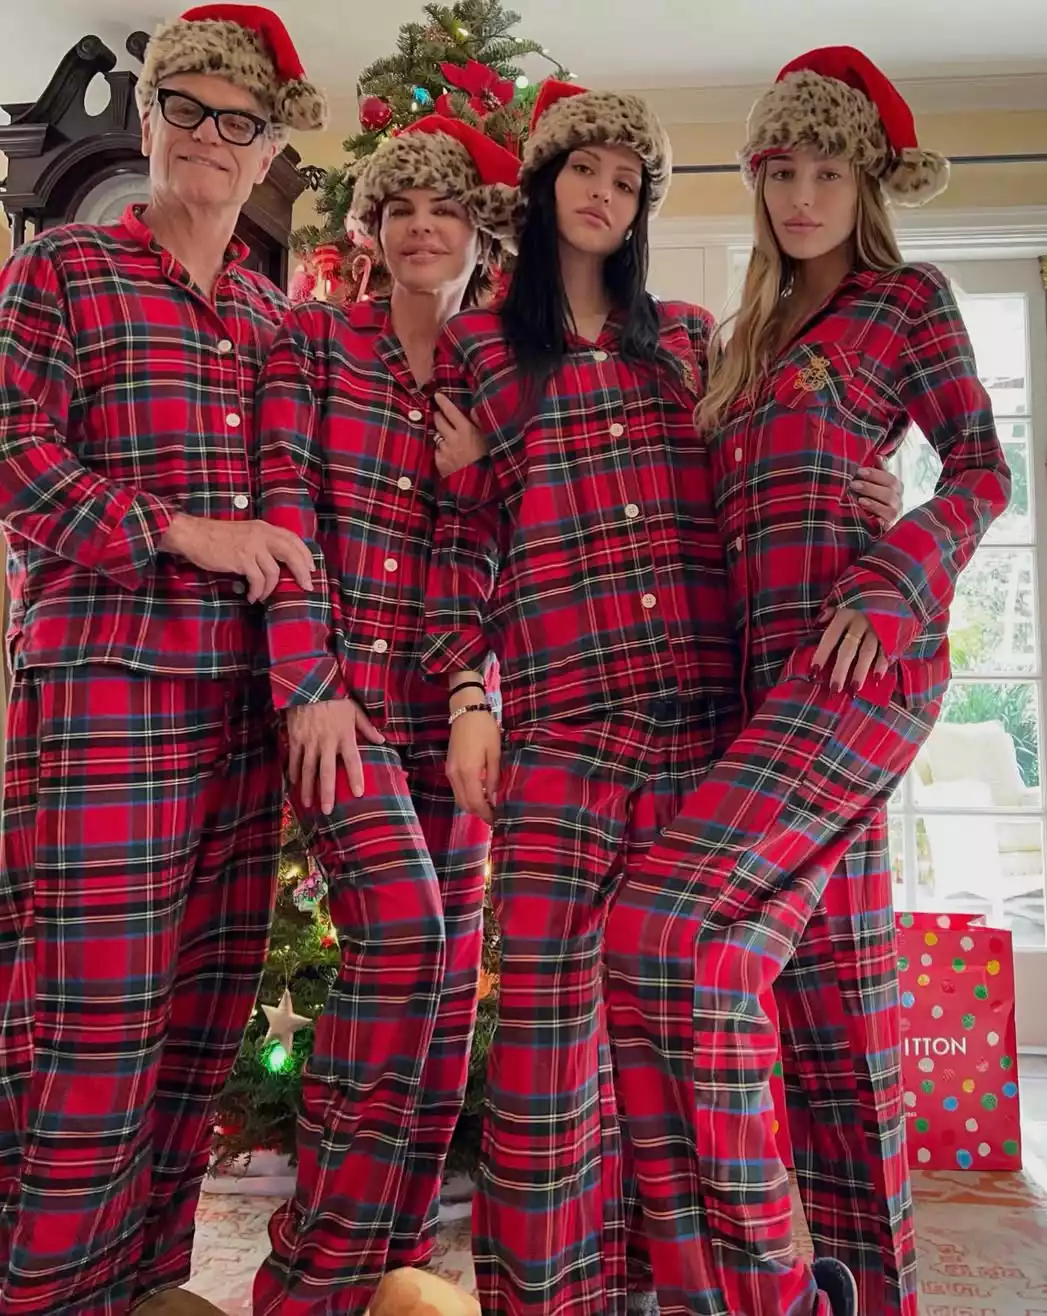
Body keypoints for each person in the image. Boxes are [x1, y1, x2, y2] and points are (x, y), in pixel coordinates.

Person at [421, 78, 904, 1316]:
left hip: (705, 730)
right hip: (568, 739)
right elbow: (464, 547)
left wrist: (870, 506)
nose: (602, 193)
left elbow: (770, 473)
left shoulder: (691, 338)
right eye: (582, 170)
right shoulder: (478, 353)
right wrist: (471, 691)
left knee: (694, 1052)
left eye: (626, 180)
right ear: (542, 189)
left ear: (643, 206)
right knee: (542, 1060)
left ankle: (714, 1293)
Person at [602, 46, 1012, 1316]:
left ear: (864, 180)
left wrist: (895, 570)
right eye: (781, 168)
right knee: (831, 1006)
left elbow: (984, 471)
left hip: (857, 666)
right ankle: (849, 1290)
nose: (799, 197)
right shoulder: (739, 344)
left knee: (663, 926)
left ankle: (761, 1286)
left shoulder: (907, 300)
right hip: (759, 695)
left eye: (826, 170)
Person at [0, 6, 326, 1312]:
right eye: (183, 109)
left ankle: (145, 1288)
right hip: (105, 720)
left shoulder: (270, 314)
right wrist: (175, 531)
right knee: (88, 1048)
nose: (204, 136)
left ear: (261, 159)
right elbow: (15, 457)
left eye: (233, 123)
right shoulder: (59, 278)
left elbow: (307, 506)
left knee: (194, 1045)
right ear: (148, 126)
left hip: (239, 734)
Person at [250, 115, 521, 1315]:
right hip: (340, 713)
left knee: (448, 974)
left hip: (448, 714)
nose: (422, 227)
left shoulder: (492, 375)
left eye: (445, 210)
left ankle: (392, 1268)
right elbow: (282, 503)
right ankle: (310, 1270)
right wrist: (309, 680)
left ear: (476, 234)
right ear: (372, 227)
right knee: (404, 937)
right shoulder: (316, 343)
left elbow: (496, 550)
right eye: (402, 207)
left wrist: (480, 476)